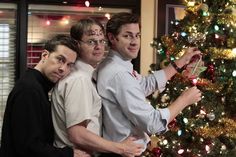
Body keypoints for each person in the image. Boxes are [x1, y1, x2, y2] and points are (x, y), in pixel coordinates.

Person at [94, 12, 202, 156]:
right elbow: (153, 123)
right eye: (127, 36)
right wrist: (184, 100)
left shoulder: (118, 65)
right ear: (112, 38)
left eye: (137, 35)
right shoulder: (119, 75)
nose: (135, 42)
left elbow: (143, 85)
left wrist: (181, 61)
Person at [51, 18, 143, 157]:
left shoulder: (90, 74)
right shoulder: (79, 79)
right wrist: (121, 148)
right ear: (76, 44)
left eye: (102, 41)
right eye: (91, 42)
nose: (99, 47)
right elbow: (77, 134)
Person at [0, 34, 87, 157]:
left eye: (69, 65)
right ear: (45, 55)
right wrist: (70, 154)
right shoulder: (29, 90)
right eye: (60, 59)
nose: (63, 68)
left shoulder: (38, 86)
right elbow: (28, 147)